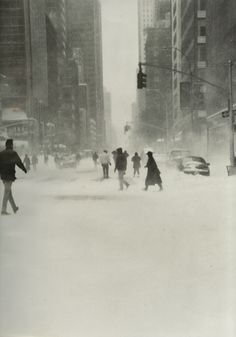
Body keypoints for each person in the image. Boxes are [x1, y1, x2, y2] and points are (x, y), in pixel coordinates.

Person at [0, 139, 27, 215]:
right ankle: (3, 210)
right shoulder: (13, 153)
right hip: (9, 175)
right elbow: (19, 162)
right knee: (7, 192)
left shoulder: (1, 153)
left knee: (8, 192)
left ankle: (14, 208)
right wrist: (24, 169)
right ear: (11, 145)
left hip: (3, 176)